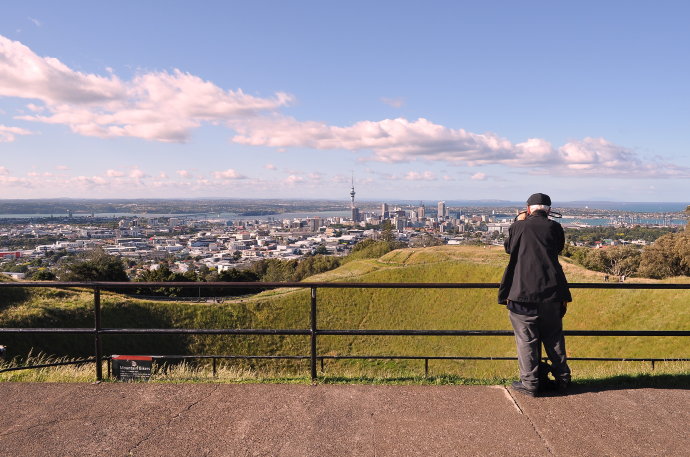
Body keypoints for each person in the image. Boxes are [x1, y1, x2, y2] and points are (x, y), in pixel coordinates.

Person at [498, 193, 572, 396]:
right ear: (548, 210)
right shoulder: (555, 227)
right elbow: (557, 248)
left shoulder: (519, 226)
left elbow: (509, 248)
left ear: (528, 209)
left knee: (526, 339)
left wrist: (518, 221)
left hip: (522, 293)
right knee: (554, 338)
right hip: (552, 292)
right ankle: (563, 378)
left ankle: (530, 383)